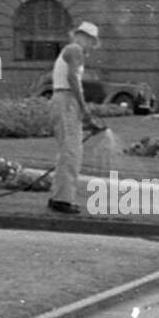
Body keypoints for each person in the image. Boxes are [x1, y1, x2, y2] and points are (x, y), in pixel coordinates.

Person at [48, 21, 101, 214]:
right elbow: (73, 80)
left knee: (70, 151)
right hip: (66, 99)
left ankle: (59, 196)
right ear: (81, 36)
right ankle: (62, 200)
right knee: (71, 152)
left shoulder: (73, 51)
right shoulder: (74, 49)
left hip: (65, 100)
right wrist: (84, 109)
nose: (89, 44)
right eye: (89, 39)